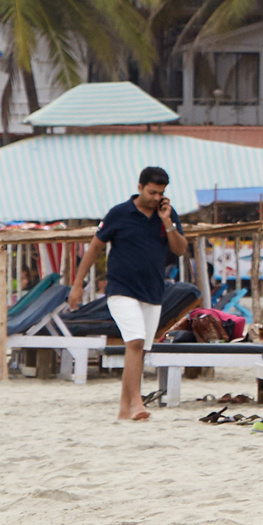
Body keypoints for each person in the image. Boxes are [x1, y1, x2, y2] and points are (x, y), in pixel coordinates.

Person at [69, 165, 188, 422]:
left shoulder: (167, 214)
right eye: (152, 192)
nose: (156, 198)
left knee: (140, 350)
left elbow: (179, 250)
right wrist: (78, 284)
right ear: (139, 188)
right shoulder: (119, 213)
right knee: (134, 341)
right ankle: (137, 402)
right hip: (121, 289)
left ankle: (124, 409)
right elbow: (94, 248)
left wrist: (168, 223)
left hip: (154, 291)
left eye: (161, 193)